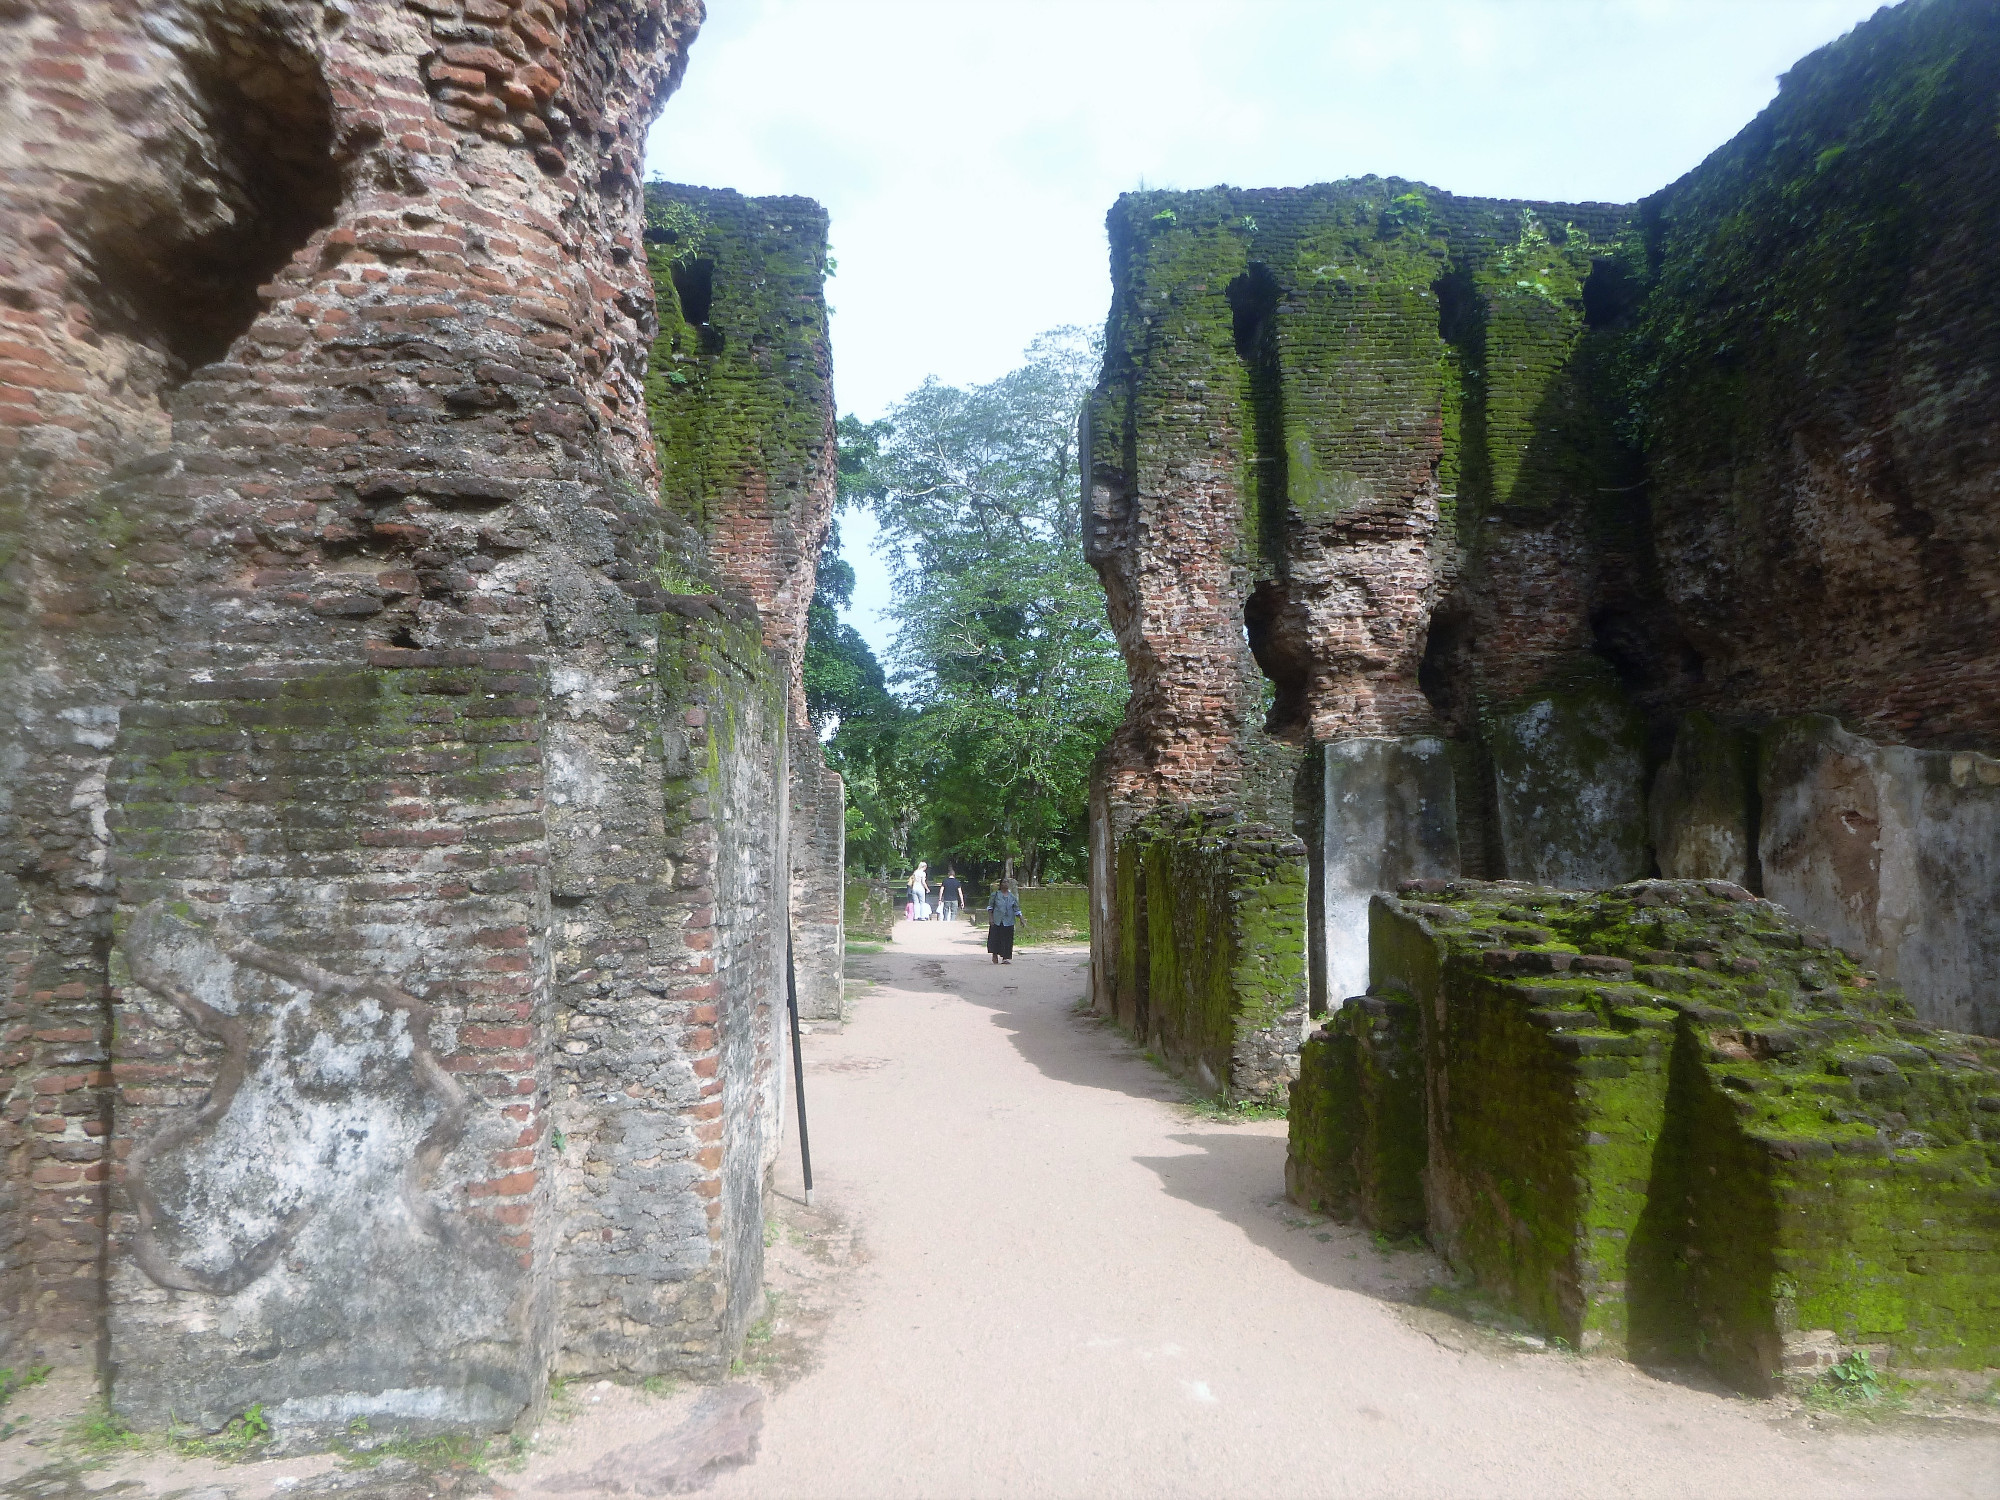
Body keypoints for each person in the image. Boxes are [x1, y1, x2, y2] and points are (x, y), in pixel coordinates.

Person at [986, 877, 1021, 964]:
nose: (1006, 884)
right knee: (995, 938)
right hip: (997, 920)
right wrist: (991, 918)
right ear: (1001, 884)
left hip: (1009, 920)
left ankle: (1005, 957)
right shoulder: (996, 895)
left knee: (1007, 939)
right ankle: (995, 954)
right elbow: (990, 907)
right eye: (1004, 882)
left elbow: (1016, 909)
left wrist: (1021, 919)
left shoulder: (1012, 897)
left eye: (1007, 882)